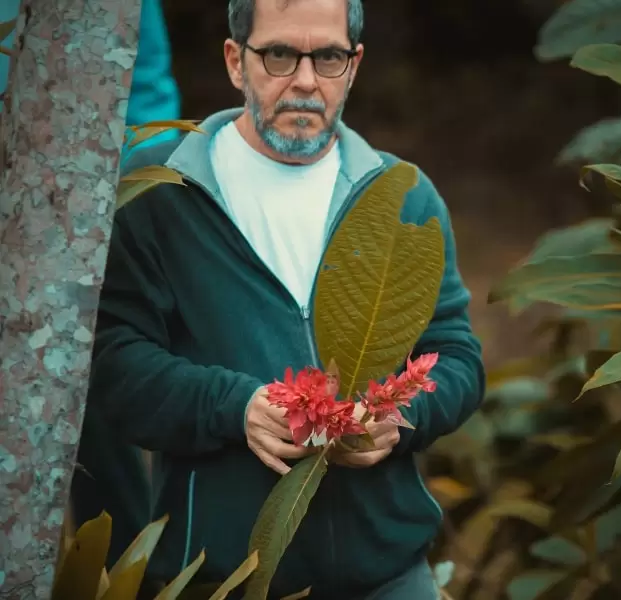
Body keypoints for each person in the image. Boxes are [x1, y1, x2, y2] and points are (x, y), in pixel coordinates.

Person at [82, 0, 485, 598]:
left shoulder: (402, 196)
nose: (303, 80)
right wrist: (233, 406)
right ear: (235, 61)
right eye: (278, 54)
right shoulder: (158, 193)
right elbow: (112, 366)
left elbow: (457, 357)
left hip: (389, 575)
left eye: (327, 57)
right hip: (222, 579)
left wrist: (401, 419)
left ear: (354, 65)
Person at [71, 0, 181, 567]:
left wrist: (120, 207)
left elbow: (147, 94)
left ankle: (125, 570)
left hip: (84, 224)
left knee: (92, 395)